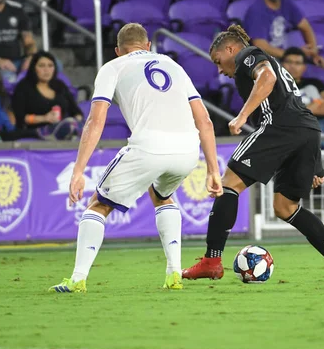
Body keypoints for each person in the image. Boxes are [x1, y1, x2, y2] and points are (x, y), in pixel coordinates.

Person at [49, 23, 222, 293]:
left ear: (118, 50)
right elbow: (205, 121)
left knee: (98, 204)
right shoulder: (174, 65)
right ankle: (174, 273)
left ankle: (78, 279)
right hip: (187, 150)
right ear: (148, 46)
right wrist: (212, 169)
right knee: (162, 195)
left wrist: (78, 170)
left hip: (149, 146)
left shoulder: (112, 67)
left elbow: (96, 121)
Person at [182, 25, 324, 282]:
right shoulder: (273, 62)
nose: (220, 70)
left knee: (227, 185)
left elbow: (267, 78)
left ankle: (211, 261)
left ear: (231, 49)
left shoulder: (248, 55)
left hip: (279, 127)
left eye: (219, 61)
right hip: (307, 131)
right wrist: (315, 163)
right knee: (285, 207)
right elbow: (300, 110)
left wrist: (241, 116)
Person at [243, 0, 324, 68]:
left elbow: (305, 27)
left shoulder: (286, 2)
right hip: (258, 62)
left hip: (281, 58)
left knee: (320, 66)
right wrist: (293, 56)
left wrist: (313, 52)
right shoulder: (256, 11)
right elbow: (261, 46)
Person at [12, 51, 83, 139]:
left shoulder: (60, 85)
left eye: (50, 66)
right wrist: (44, 118)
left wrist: (76, 122)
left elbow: (77, 112)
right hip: (34, 131)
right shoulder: (23, 87)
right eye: (41, 65)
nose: (46, 70)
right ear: (34, 68)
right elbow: (20, 117)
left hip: (62, 127)